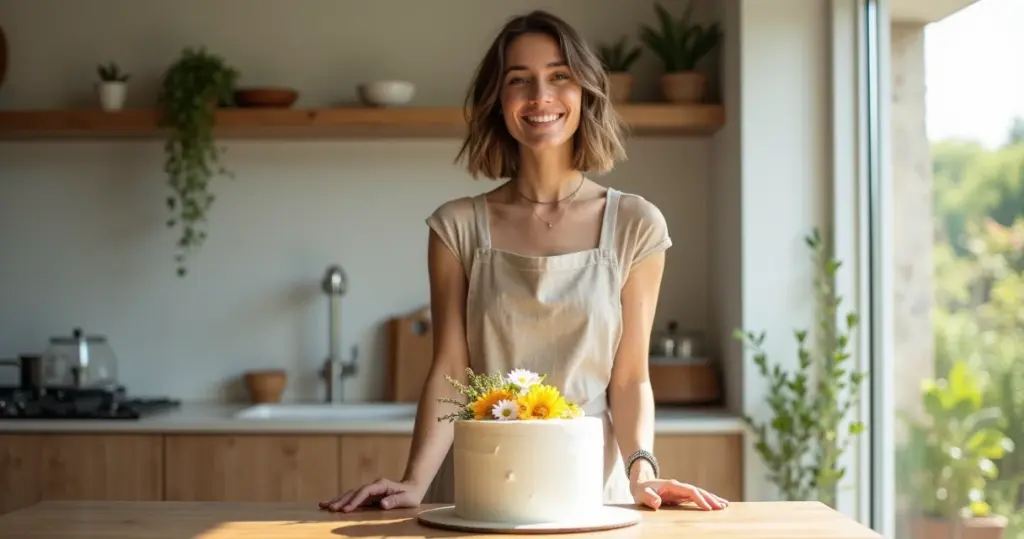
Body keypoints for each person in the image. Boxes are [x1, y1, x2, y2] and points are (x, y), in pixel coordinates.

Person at [320, 9, 728, 514]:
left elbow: (629, 379)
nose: (541, 97)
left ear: (584, 93)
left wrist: (641, 472)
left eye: (560, 77)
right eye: (520, 81)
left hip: (589, 492)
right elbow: (451, 370)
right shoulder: (457, 227)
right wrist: (414, 482)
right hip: (480, 484)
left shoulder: (635, 224)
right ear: (499, 99)